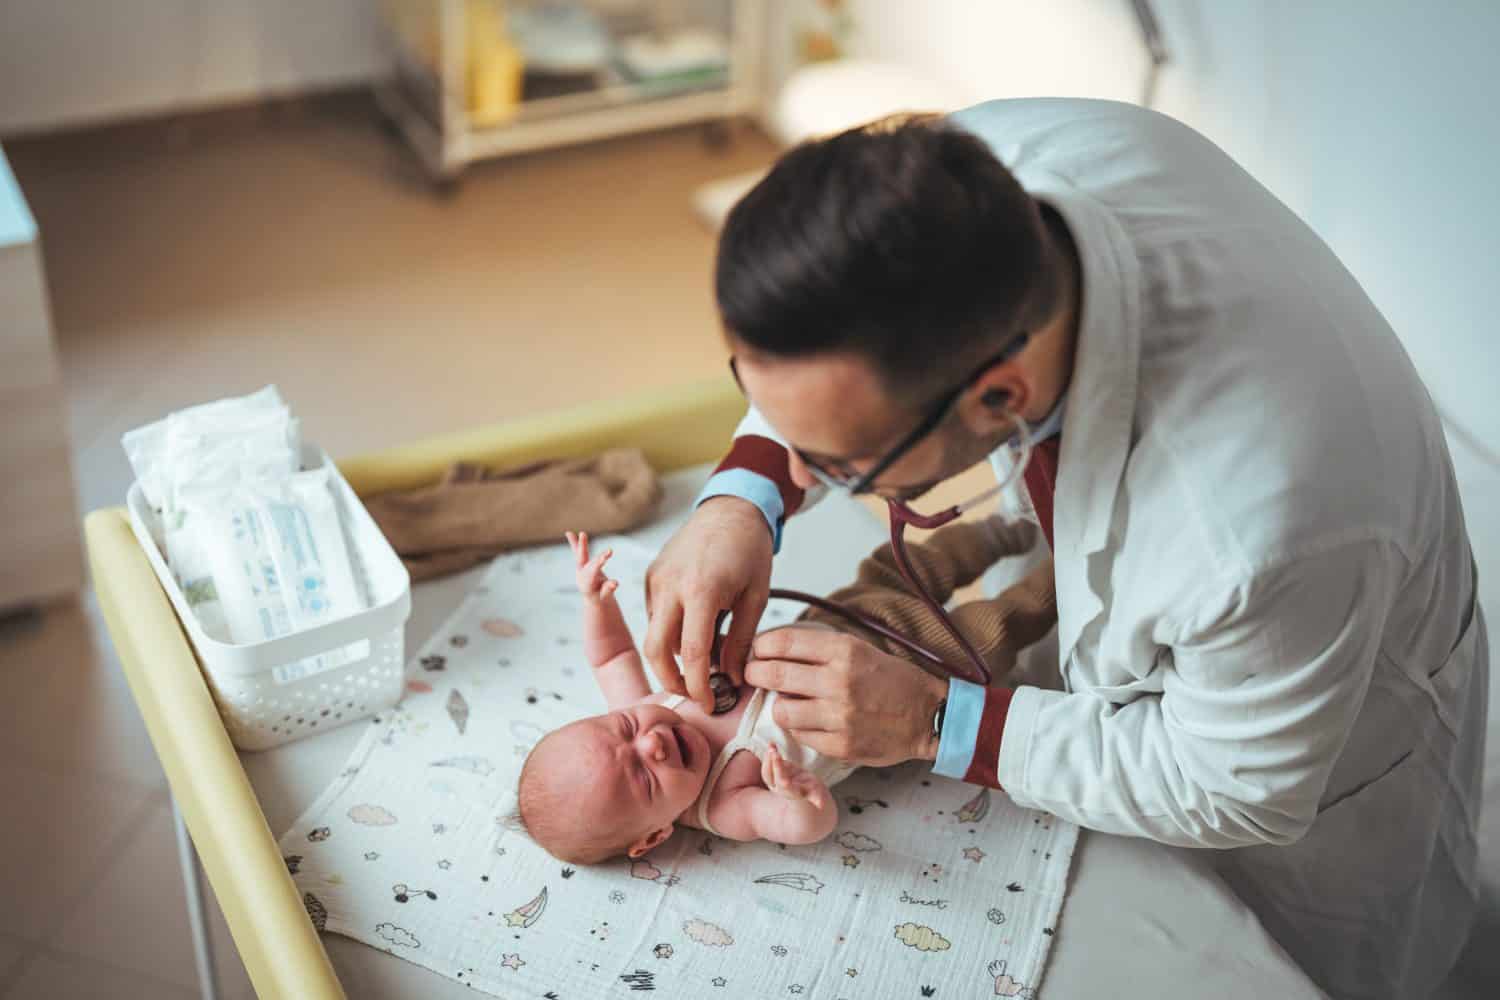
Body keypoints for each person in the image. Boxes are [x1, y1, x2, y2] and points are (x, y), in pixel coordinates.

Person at [641, 101, 1488, 999]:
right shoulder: (975, 179)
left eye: (841, 463)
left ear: (999, 396)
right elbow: (819, 348)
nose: (808, 473)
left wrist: (936, 721)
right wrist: (745, 490)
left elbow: (1236, 785)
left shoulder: (1258, 526)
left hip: (1317, 750)